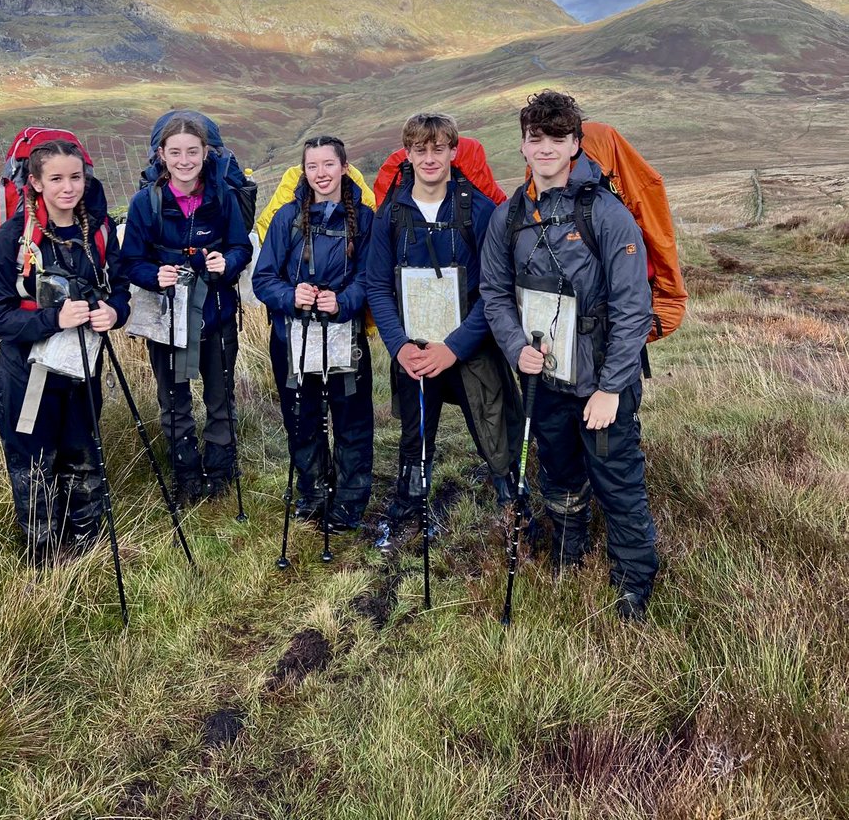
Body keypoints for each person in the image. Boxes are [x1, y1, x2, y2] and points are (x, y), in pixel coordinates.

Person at [480, 90, 658, 621]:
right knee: (557, 472)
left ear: (575, 143)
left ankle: (633, 579)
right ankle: (567, 551)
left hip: (603, 379)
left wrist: (609, 389)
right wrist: (516, 349)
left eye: (557, 138)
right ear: (523, 146)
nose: (546, 148)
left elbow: (632, 308)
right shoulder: (508, 216)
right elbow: (493, 291)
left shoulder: (607, 212)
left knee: (616, 475)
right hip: (544, 377)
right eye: (536, 138)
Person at [366, 111, 520, 551]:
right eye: (420, 150)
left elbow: (496, 291)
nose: (430, 158)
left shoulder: (482, 211)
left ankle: (512, 504)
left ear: (454, 152)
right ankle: (409, 506)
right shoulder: (390, 215)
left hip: (470, 344)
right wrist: (398, 347)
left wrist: (453, 348)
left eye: (438, 149)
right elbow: (378, 286)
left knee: (493, 423)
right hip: (412, 349)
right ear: (408, 155)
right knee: (415, 434)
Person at [0, 139, 130, 563]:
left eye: (76, 177)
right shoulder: (14, 237)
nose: (68, 187)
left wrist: (115, 312)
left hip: (82, 370)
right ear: (35, 182)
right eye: (57, 179)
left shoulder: (99, 231)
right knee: (34, 468)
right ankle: (45, 558)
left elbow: (118, 287)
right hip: (25, 379)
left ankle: (86, 549)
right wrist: (54, 319)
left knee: (83, 457)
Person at [121, 115, 252, 503]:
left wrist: (226, 263)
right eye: (175, 152)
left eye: (192, 151)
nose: (184, 160)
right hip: (168, 316)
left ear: (205, 153)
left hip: (215, 311)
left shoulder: (223, 196)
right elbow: (130, 260)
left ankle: (221, 471)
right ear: (161, 155)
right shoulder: (146, 203)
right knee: (174, 400)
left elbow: (240, 247)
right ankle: (186, 474)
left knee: (219, 396)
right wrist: (153, 274)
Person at [253, 136, 375, 532]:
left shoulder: (365, 220)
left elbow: (370, 279)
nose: (321, 174)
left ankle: (349, 503)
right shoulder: (286, 218)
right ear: (302, 172)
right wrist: (292, 296)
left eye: (328, 165)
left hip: (346, 338)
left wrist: (343, 301)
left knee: (351, 420)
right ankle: (312, 495)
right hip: (293, 339)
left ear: (343, 166)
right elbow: (263, 279)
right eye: (312, 167)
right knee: (303, 419)